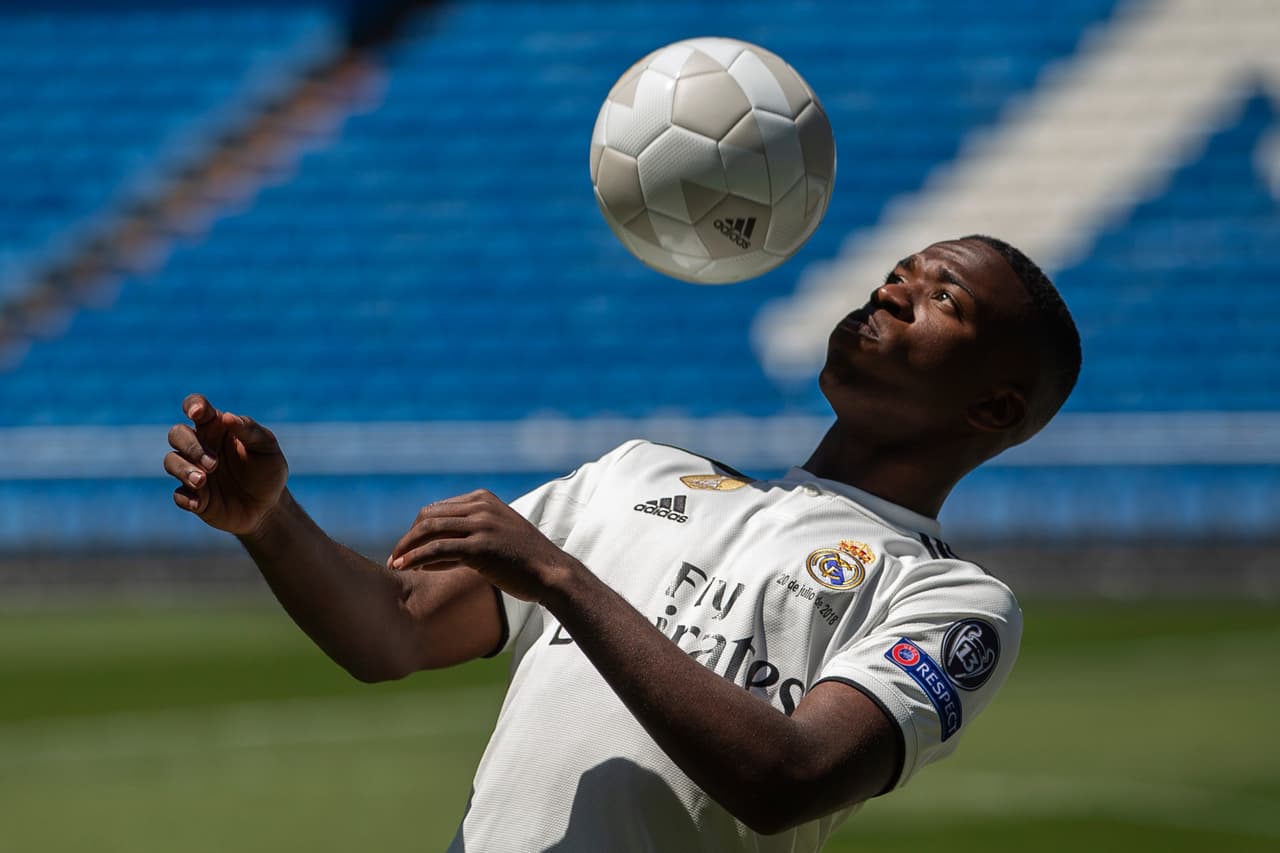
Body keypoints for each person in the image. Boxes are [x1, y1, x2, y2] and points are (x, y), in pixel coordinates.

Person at [164, 234, 1081, 852]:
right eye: (899, 273)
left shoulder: (950, 600)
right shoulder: (638, 473)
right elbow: (393, 627)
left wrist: (561, 579)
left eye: (942, 297)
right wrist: (269, 520)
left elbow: (788, 777)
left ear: (995, 406)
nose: (890, 291)